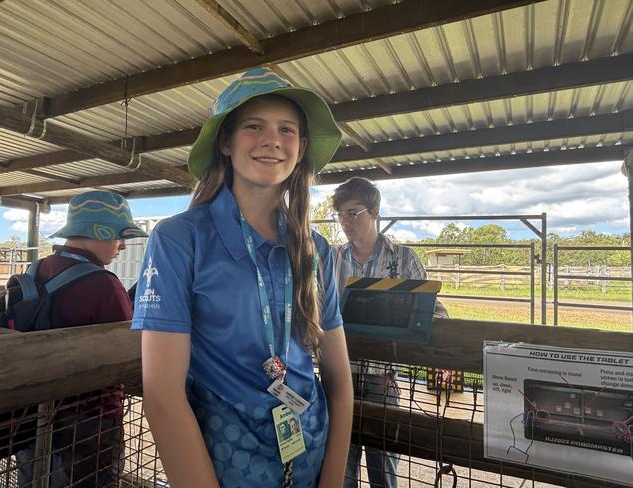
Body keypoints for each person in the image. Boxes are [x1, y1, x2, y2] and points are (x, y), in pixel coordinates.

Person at [132, 68, 353, 488]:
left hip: (313, 458)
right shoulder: (180, 239)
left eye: (286, 130)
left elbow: (340, 384)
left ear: (301, 148)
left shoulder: (315, 250)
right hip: (223, 468)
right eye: (254, 126)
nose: (272, 140)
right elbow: (161, 396)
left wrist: (332, 482)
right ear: (225, 142)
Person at [15, 190, 148, 488]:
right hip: (92, 417)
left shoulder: (38, 268)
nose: (122, 246)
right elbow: (129, 348)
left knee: (35, 479)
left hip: (33, 411)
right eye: (117, 236)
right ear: (96, 233)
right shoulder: (104, 284)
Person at [331, 177, 448, 488]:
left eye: (353, 213)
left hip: (383, 376)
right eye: (341, 214)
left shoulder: (404, 259)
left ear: (374, 212)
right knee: (342, 463)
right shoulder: (331, 260)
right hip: (339, 371)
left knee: (383, 464)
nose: (346, 221)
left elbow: (434, 310)